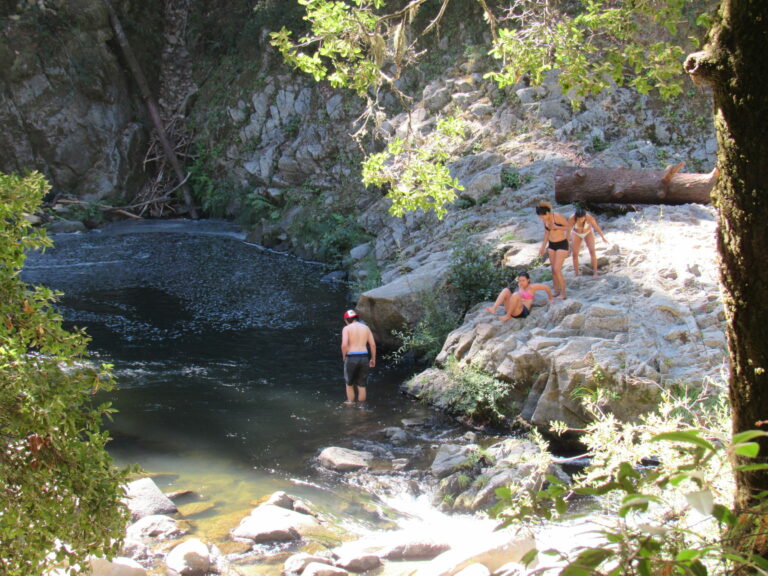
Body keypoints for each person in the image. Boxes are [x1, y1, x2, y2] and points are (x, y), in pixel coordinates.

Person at [486, 272, 554, 321]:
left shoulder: (532, 287)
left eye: (523, 280)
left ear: (528, 280)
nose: (521, 282)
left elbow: (546, 287)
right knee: (506, 290)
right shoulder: (520, 286)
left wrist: (551, 299)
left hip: (522, 312)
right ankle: (494, 308)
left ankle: (507, 316)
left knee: (516, 294)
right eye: (520, 281)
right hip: (513, 309)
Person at [341, 309, 376, 404]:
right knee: (362, 385)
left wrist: (344, 356)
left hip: (351, 357)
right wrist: (373, 359)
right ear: (357, 318)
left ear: (346, 320)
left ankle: (350, 404)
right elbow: (372, 345)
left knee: (349, 384)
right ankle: (362, 408)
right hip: (364, 357)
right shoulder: (366, 328)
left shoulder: (346, 329)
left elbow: (344, 345)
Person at [535, 201, 569, 299]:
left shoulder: (557, 216)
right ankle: (556, 290)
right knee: (553, 270)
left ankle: (563, 293)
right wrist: (542, 247)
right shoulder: (545, 220)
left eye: (542, 216)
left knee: (557, 269)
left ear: (548, 213)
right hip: (551, 244)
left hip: (562, 244)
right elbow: (546, 234)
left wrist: (556, 227)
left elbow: (568, 227)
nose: (541, 218)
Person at [568, 206, 607, 278]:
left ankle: (595, 272)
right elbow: (568, 231)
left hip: (588, 232)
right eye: (579, 219)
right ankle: (576, 274)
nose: (580, 220)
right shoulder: (572, 218)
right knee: (575, 254)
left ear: (584, 216)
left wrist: (602, 237)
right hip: (576, 233)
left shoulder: (589, 218)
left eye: (582, 218)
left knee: (592, 251)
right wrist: (567, 242)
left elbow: (596, 227)